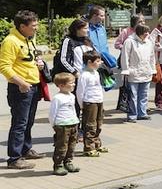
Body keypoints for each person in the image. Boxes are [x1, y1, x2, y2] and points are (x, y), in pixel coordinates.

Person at [0, 10, 47, 169]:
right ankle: (14, 158)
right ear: (22, 26)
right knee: (19, 123)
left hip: (33, 85)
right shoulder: (10, 41)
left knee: (29, 121)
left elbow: (29, 57)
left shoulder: (29, 37)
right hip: (20, 88)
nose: (37, 28)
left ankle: (26, 149)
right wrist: (20, 83)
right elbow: (4, 67)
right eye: (33, 25)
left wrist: (38, 63)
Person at [53, 19, 93, 118]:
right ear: (77, 29)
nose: (87, 30)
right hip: (75, 77)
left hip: (87, 76)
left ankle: (86, 127)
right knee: (75, 103)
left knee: (87, 101)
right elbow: (63, 59)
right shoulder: (68, 40)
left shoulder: (87, 40)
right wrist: (74, 72)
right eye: (85, 28)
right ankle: (74, 126)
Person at [120, 23, 156, 122]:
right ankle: (132, 115)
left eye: (148, 32)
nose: (147, 34)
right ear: (139, 33)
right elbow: (125, 57)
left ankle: (142, 113)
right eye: (145, 33)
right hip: (133, 73)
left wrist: (153, 69)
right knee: (133, 95)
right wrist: (126, 70)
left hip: (146, 72)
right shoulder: (129, 41)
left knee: (144, 94)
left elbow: (152, 57)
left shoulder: (149, 42)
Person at [49, 72, 81, 176]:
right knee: (61, 146)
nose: (74, 85)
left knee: (72, 145)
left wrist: (76, 120)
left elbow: (73, 110)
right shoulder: (58, 98)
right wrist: (54, 124)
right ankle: (58, 165)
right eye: (71, 83)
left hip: (73, 123)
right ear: (61, 85)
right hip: (62, 125)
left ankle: (68, 162)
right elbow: (52, 113)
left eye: (74, 82)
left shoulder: (71, 96)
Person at [77, 50, 106, 157]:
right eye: (98, 61)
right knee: (90, 125)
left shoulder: (96, 73)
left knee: (99, 123)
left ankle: (97, 143)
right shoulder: (84, 75)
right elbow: (80, 91)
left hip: (98, 101)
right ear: (89, 62)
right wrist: (82, 105)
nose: (100, 62)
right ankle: (89, 147)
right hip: (90, 102)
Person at [115, 14, 145, 113]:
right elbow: (117, 44)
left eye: (143, 21)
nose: (143, 23)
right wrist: (126, 48)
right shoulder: (126, 31)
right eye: (140, 21)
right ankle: (126, 105)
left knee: (141, 85)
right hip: (127, 61)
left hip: (139, 62)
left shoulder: (144, 31)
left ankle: (140, 107)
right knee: (128, 86)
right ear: (134, 22)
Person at [86, 5, 118, 70]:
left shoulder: (102, 28)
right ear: (94, 16)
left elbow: (106, 46)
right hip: (92, 62)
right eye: (102, 16)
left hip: (103, 61)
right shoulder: (86, 28)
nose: (104, 18)